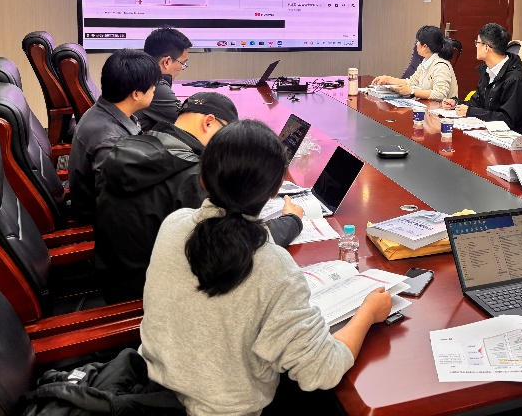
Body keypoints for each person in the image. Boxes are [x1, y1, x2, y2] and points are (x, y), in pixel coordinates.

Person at [140, 120, 392, 416]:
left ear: (203, 178)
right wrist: (368, 312)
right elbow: (323, 370)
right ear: (275, 191)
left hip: (152, 393)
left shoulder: (174, 225)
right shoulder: (272, 267)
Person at [94, 92, 305, 303]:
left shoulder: (134, 144)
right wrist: (292, 221)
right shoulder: (191, 178)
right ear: (208, 122)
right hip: (149, 296)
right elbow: (237, 244)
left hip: (112, 277)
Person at [68, 49, 160, 220]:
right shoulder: (111, 141)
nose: (154, 89)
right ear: (136, 94)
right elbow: (116, 204)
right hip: (102, 221)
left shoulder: (104, 110)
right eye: (152, 85)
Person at [441, 23, 522, 133]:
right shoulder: (489, 71)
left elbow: (507, 120)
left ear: (486, 47)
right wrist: (457, 103)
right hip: (490, 132)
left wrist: (471, 112)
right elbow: (477, 103)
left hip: (511, 137)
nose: (476, 46)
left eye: (477, 43)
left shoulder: (515, 79)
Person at [371, 25, 458, 100]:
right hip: (428, 106)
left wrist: (412, 91)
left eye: (418, 41)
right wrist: (387, 79)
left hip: (441, 110)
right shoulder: (426, 61)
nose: (416, 44)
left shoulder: (441, 66)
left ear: (425, 47)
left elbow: (440, 94)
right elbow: (412, 82)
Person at [137, 26, 193, 132]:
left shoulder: (138, 75)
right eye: (182, 63)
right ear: (166, 62)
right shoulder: (154, 85)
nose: (182, 68)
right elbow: (191, 125)